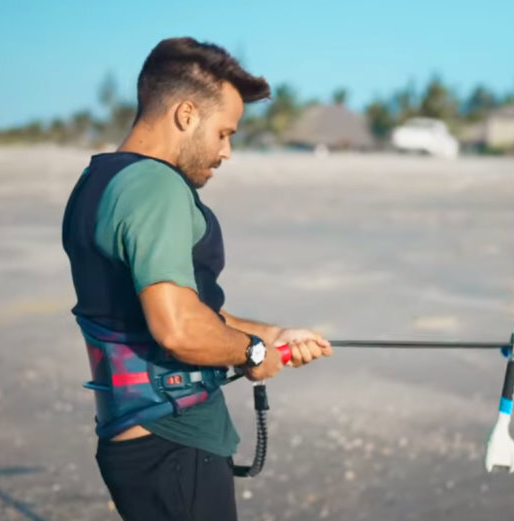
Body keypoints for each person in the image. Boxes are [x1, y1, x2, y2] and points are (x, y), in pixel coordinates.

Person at [61, 37, 333, 521]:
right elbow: (179, 329)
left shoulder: (98, 181)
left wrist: (273, 336)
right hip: (174, 442)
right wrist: (250, 352)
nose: (226, 152)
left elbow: (183, 309)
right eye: (224, 132)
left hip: (137, 438)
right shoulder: (155, 186)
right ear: (186, 114)